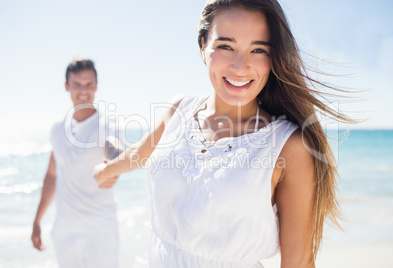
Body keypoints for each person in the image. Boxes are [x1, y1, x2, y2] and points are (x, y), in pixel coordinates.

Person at [94, 0, 353, 267]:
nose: (241, 67)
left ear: (274, 57)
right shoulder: (178, 111)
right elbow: (139, 154)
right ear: (203, 45)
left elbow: (298, 262)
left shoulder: (289, 147)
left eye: (258, 49)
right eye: (226, 46)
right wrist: (105, 171)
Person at [31, 58, 123, 268]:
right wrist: (37, 220)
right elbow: (53, 174)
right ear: (67, 86)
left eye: (89, 84)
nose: (84, 90)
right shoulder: (57, 129)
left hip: (100, 230)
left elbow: (116, 149)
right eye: (77, 84)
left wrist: (112, 169)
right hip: (65, 230)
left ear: (96, 86)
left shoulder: (108, 124)